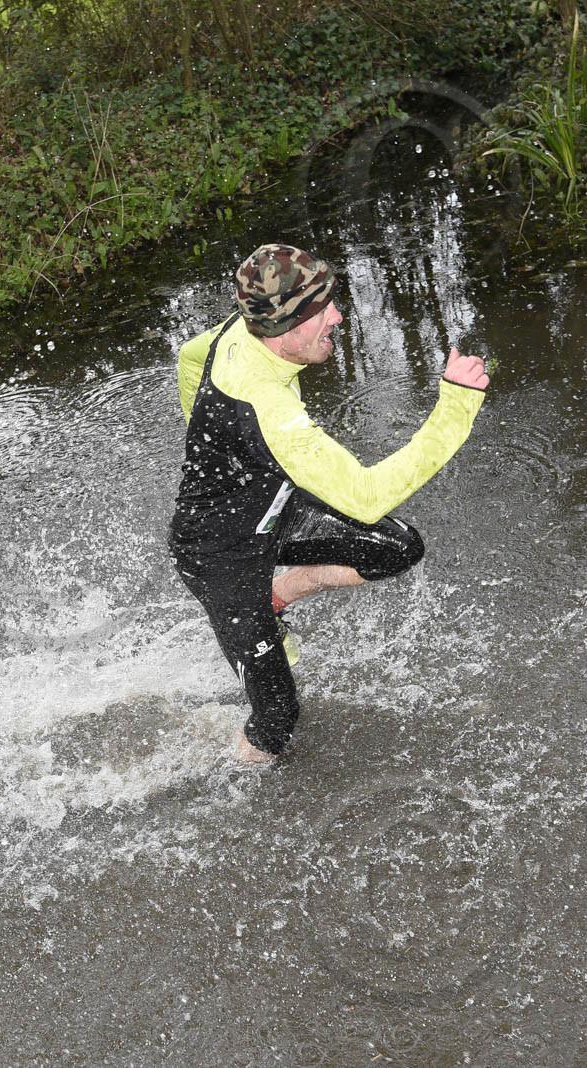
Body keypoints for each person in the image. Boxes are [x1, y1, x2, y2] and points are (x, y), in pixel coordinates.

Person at [169, 244, 488, 763]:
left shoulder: (243, 326)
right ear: (284, 327)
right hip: (220, 556)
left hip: (274, 509)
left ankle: (279, 595)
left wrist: (210, 437)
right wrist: (456, 406)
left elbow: (189, 355)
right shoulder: (269, 411)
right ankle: (236, 786)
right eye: (321, 310)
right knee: (278, 720)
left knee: (396, 548)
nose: (337, 317)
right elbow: (367, 497)